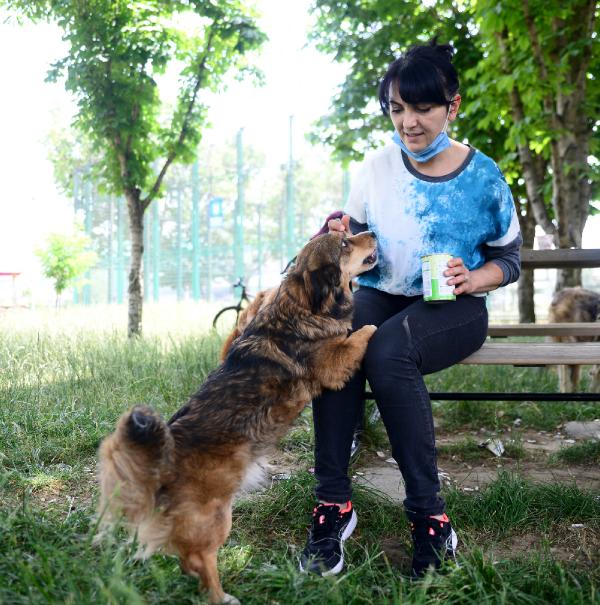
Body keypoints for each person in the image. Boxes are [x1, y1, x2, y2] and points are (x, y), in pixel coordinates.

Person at [299, 41, 522, 579]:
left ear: (452, 106)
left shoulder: (483, 175)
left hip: (453, 307)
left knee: (388, 350)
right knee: (337, 338)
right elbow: (352, 238)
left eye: (422, 108)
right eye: (397, 109)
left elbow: (510, 259)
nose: (409, 122)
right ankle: (333, 505)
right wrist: (337, 231)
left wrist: (475, 278)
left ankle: (430, 518)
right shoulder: (376, 167)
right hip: (383, 292)